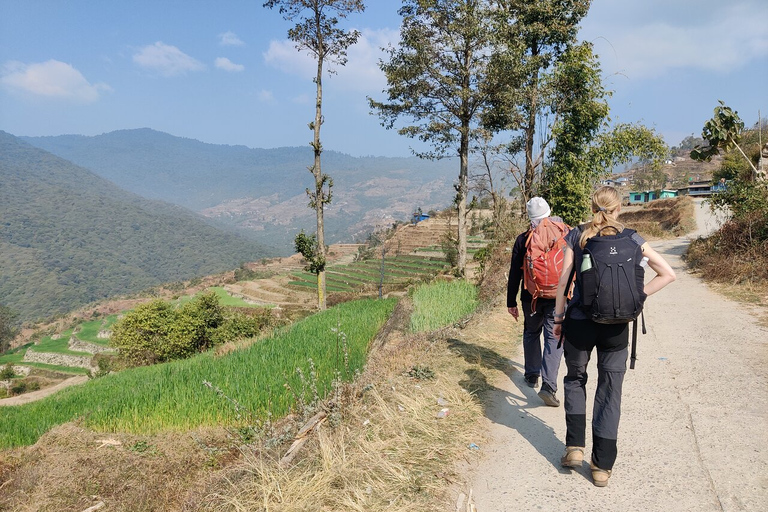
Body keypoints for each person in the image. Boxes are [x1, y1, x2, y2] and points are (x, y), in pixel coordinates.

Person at [553, 186, 676, 487]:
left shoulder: (578, 235)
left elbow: (563, 281)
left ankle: (574, 449)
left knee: (575, 379)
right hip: (617, 327)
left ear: (592, 207)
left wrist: (558, 318)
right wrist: (637, 296)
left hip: (580, 321)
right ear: (619, 208)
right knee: (610, 390)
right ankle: (601, 466)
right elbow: (668, 273)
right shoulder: (633, 238)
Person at [507, 196, 568, 407]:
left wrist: (510, 302)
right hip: (558, 298)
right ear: (549, 213)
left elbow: (515, 273)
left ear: (529, 216)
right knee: (553, 338)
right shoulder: (564, 234)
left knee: (532, 332)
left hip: (530, 297)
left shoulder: (523, 239)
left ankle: (532, 374)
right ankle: (549, 386)